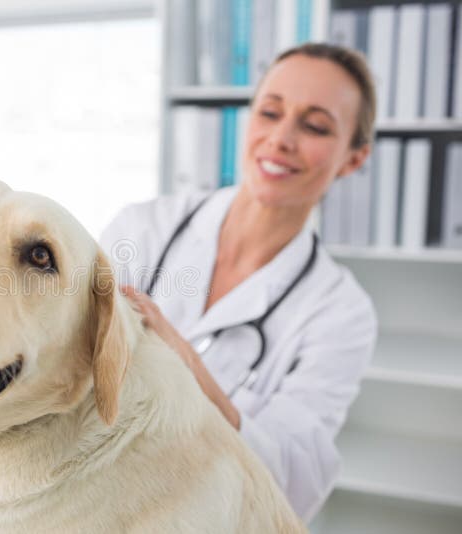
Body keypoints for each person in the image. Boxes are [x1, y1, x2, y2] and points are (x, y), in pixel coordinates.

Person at [99, 43, 377, 522]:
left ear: (353, 158)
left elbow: (293, 479)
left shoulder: (340, 313)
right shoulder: (143, 229)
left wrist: (188, 373)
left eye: (314, 126)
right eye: (270, 112)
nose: (281, 139)